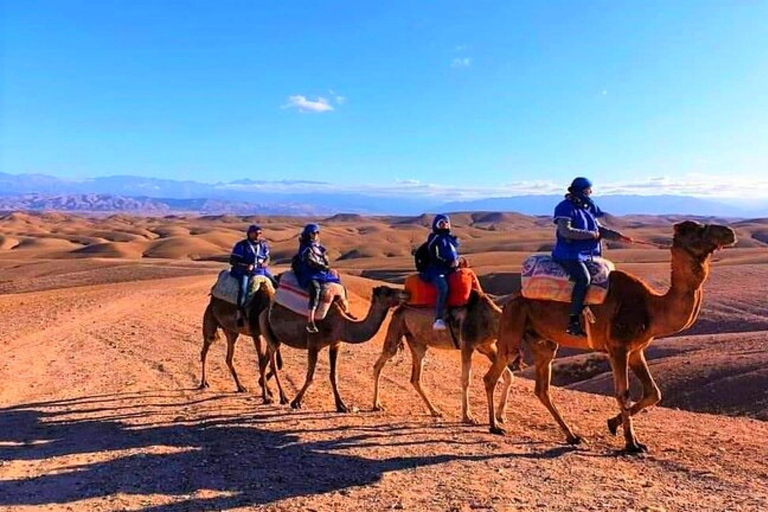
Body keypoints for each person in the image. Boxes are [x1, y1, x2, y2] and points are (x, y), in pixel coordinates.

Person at [553, 177, 632, 337]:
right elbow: (565, 231)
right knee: (583, 279)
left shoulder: (586, 208)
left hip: (587, 255)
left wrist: (619, 237)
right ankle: (573, 321)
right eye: (589, 189)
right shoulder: (565, 208)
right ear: (583, 190)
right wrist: (591, 235)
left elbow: (600, 229)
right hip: (569, 254)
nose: (591, 192)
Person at [293, 223, 342, 333]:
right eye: (313, 233)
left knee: (337, 281)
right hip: (309, 273)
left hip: (321, 273)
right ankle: (310, 321)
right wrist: (322, 266)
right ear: (307, 234)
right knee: (315, 290)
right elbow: (309, 261)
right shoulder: (305, 248)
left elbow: (324, 258)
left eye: (317, 232)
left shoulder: (318, 247)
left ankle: (344, 309)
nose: (315, 235)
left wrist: (325, 263)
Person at [420, 214, 460, 331]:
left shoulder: (450, 239)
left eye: (446, 223)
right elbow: (434, 257)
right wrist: (448, 263)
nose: (444, 225)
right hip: (436, 270)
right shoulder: (434, 238)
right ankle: (438, 319)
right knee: (443, 288)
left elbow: (453, 253)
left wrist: (457, 262)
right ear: (436, 225)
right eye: (441, 223)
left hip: (450, 269)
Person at [229, 224, 275, 326]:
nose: (259, 235)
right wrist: (245, 266)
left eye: (260, 233)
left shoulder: (263, 245)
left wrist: (266, 263)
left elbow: (267, 257)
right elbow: (232, 260)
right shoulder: (241, 245)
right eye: (256, 233)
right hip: (244, 271)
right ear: (250, 234)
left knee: (276, 283)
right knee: (243, 289)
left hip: (261, 270)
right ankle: (239, 314)